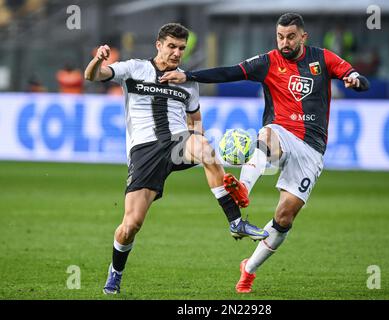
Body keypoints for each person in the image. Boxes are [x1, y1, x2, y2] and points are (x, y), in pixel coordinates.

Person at [161, 13, 370, 293]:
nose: (285, 42)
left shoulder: (322, 58)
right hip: (282, 131)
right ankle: (243, 188)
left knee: (285, 217)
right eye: (280, 36)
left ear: (303, 37)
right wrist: (187, 75)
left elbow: (356, 76)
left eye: (291, 37)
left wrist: (355, 79)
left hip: (312, 148)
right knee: (268, 134)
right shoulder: (269, 61)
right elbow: (229, 72)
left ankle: (248, 269)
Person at [84, 23, 269, 295]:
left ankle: (235, 221)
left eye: (181, 48)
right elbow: (93, 76)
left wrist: (198, 141)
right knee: (131, 225)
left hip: (178, 142)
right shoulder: (135, 69)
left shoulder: (187, 80)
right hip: (145, 151)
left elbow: (195, 119)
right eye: (171, 46)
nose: (176, 53)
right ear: (158, 45)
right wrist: (97, 60)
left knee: (204, 146)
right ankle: (116, 271)